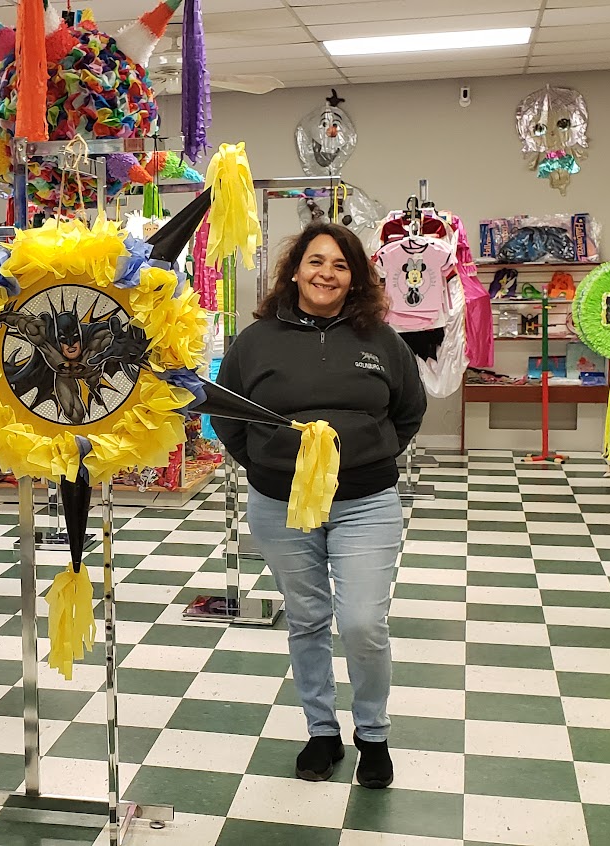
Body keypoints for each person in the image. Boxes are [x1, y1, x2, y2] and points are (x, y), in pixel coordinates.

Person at [213, 221, 426, 788]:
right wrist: (267, 464)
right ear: (294, 269)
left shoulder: (381, 339)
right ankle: (322, 732)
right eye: (315, 261)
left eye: (339, 265)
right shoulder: (256, 340)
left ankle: (373, 735)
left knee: (362, 622)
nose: (325, 274)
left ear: (354, 276)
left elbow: (408, 411)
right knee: (307, 618)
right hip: (280, 505)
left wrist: (364, 453)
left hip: (365, 501)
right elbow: (226, 414)